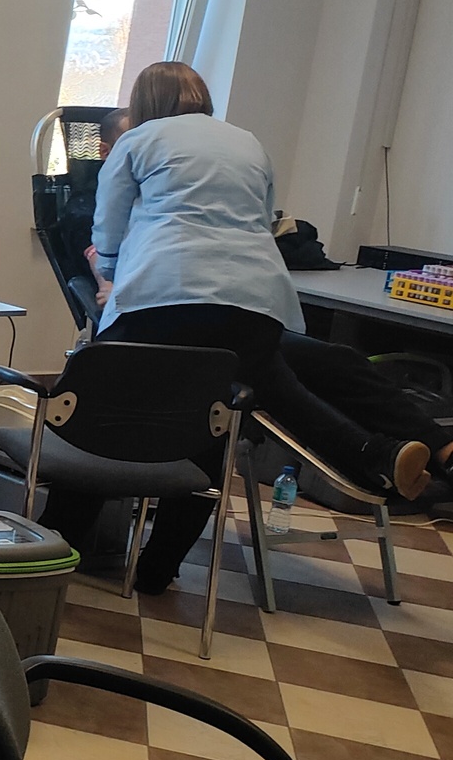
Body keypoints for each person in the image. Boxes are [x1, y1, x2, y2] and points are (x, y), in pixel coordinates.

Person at [48, 61, 431, 592]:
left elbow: (107, 232)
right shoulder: (248, 143)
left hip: (163, 298)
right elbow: (265, 220)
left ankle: (52, 549)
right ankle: (159, 570)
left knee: (101, 412)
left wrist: (114, 274)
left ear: (144, 104)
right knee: (215, 419)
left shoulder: (138, 141)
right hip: (256, 302)